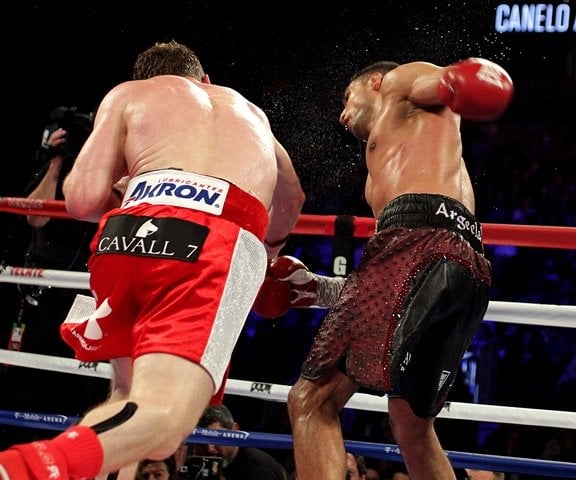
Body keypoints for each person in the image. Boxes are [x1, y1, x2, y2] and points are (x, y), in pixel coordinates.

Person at [0, 39, 304, 480]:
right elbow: (291, 199)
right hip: (216, 239)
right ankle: (23, 469)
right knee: (165, 422)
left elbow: (81, 200)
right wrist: (268, 255)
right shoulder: (249, 111)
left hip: (127, 235)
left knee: (128, 399)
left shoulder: (128, 94)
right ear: (205, 80)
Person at [256, 58, 513, 480]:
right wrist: (320, 290)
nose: (342, 113)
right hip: (465, 264)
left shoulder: (398, 82)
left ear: (374, 82)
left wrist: (459, 81)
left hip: (415, 244)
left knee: (311, 402)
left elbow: (443, 84)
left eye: (347, 96)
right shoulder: (407, 153)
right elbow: (394, 294)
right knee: (412, 426)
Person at [184, 404, 288, 480]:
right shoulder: (191, 461)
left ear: (235, 430)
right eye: (201, 442)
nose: (209, 449)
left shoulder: (258, 470)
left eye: (217, 439)